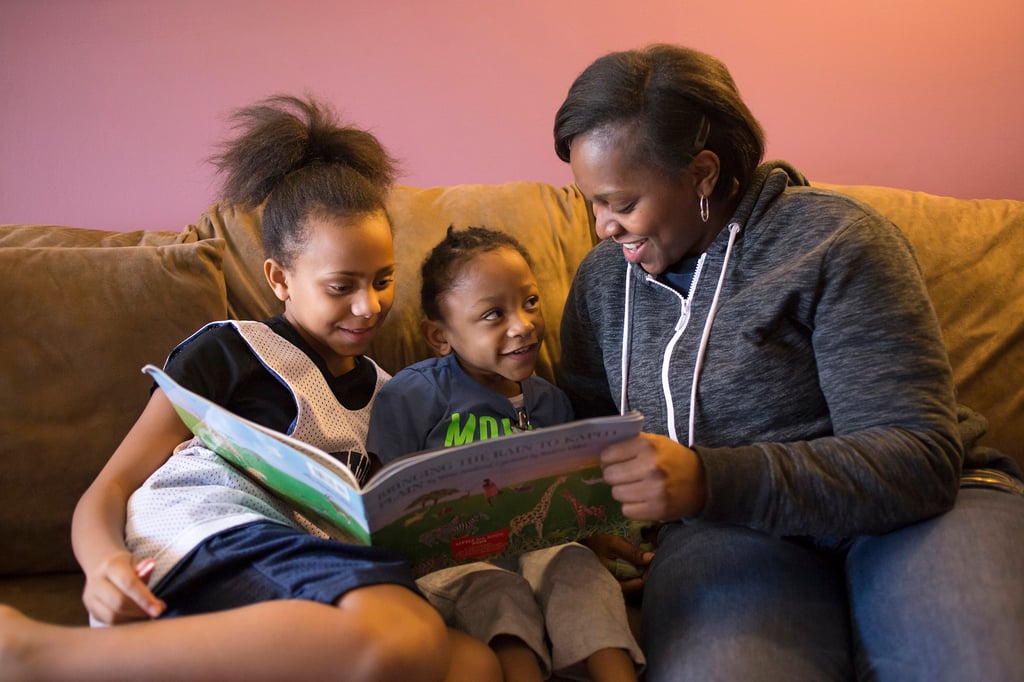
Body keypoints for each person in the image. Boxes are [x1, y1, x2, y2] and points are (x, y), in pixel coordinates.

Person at [552, 44, 1024, 682]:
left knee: (972, 661)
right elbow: (589, 426)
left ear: (703, 174)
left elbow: (920, 459)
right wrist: (598, 517)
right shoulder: (605, 283)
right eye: (591, 203)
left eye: (623, 203)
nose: (604, 226)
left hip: (924, 512)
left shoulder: (838, 242)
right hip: (727, 530)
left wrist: (708, 479)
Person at [0, 95, 500, 682]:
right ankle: (35, 656)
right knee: (405, 635)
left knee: (474, 664)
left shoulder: (399, 395)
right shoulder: (231, 351)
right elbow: (111, 484)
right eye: (342, 286)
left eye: (383, 280)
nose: (369, 306)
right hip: (207, 529)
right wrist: (102, 564)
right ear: (280, 278)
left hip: (309, 564)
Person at [366, 226, 645, 682]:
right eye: (493, 314)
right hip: (454, 564)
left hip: (538, 546)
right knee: (497, 591)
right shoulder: (413, 395)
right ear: (440, 336)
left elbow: (569, 505)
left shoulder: (552, 403)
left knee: (577, 566)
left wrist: (596, 536)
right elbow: (385, 499)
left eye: (529, 301)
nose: (523, 324)